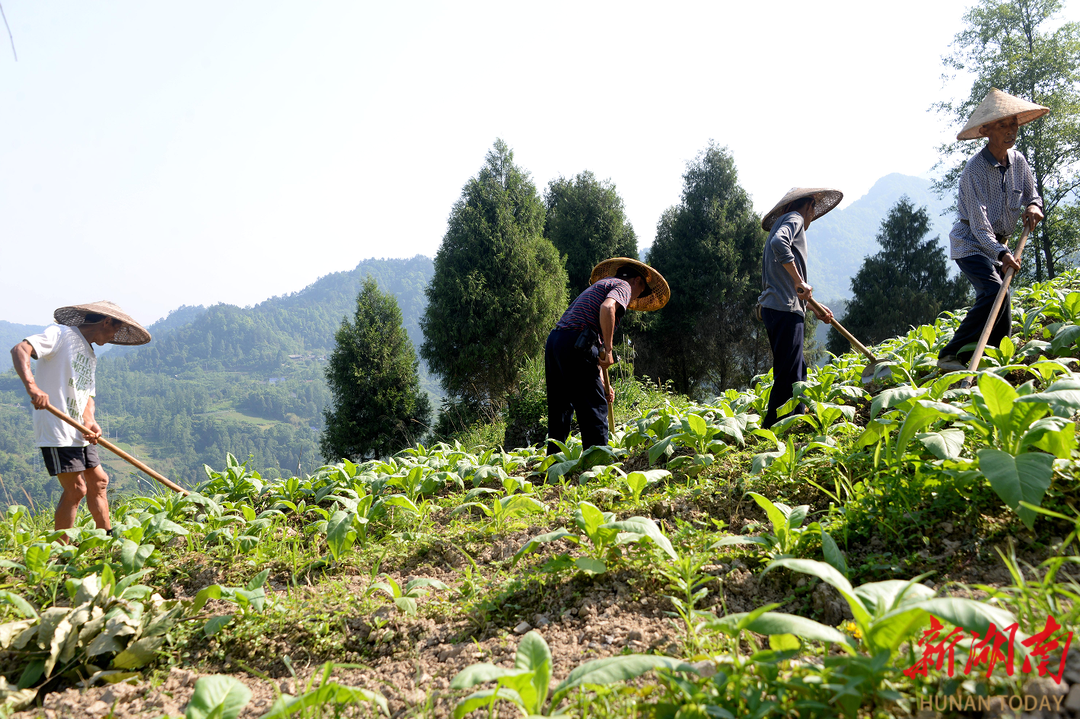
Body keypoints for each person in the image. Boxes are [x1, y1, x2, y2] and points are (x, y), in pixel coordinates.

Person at [10, 301, 151, 534]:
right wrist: (32, 387)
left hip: (78, 430)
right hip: (57, 429)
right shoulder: (62, 334)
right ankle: (59, 551)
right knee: (76, 490)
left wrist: (90, 421)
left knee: (100, 481)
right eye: (115, 329)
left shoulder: (90, 353)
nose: (114, 335)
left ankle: (105, 536)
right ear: (106, 321)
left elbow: (87, 396)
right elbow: (20, 349)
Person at [936, 89, 1048, 371]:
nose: (1011, 131)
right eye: (1003, 125)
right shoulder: (974, 171)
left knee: (1004, 296)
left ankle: (999, 353)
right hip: (971, 243)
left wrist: (1034, 206)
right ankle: (948, 355)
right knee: (994, 290)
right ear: (986, 130)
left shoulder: (1018, 161)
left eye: (1013, 124)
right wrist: (1001, 253)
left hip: (1000, 244)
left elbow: (1032, 196)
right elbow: (979, 224)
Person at [545, 258, 669, 454]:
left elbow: (596, 350)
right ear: (637, 281)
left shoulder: (600, 286)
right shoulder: (623, 286)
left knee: (560, 407)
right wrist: (610, 350)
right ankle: (598, 466)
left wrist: (605, 385)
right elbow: (607, 308)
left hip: (556, 342)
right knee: (593, 407)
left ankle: (553, 462)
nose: (635, 297)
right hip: (576, 342)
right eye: (641, 290)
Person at [757, 187, 842, 429]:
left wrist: (813, 306)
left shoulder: (784, 221)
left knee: (797, 370)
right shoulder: (793, 218)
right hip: (783, 309)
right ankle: (772, 428)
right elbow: (778, 243)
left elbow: (793, 284)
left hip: (781, 307)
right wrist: (798, 281)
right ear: (808, 206)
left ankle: (799, 417)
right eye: (813, 209)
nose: (812, 216)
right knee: (787, 374)